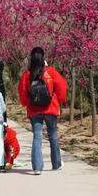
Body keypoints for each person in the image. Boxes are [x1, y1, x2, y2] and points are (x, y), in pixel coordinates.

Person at [18, 46, 67, 175]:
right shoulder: (50, 72)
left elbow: (23, 93)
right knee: (53, 135)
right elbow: (61, 88)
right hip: (50, 108)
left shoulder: (27, 75)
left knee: (37, 137)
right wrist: (59, 101)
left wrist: (27, 103)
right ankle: (56, 164)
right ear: (43, 58)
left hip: (34, 110)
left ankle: (37, 167)